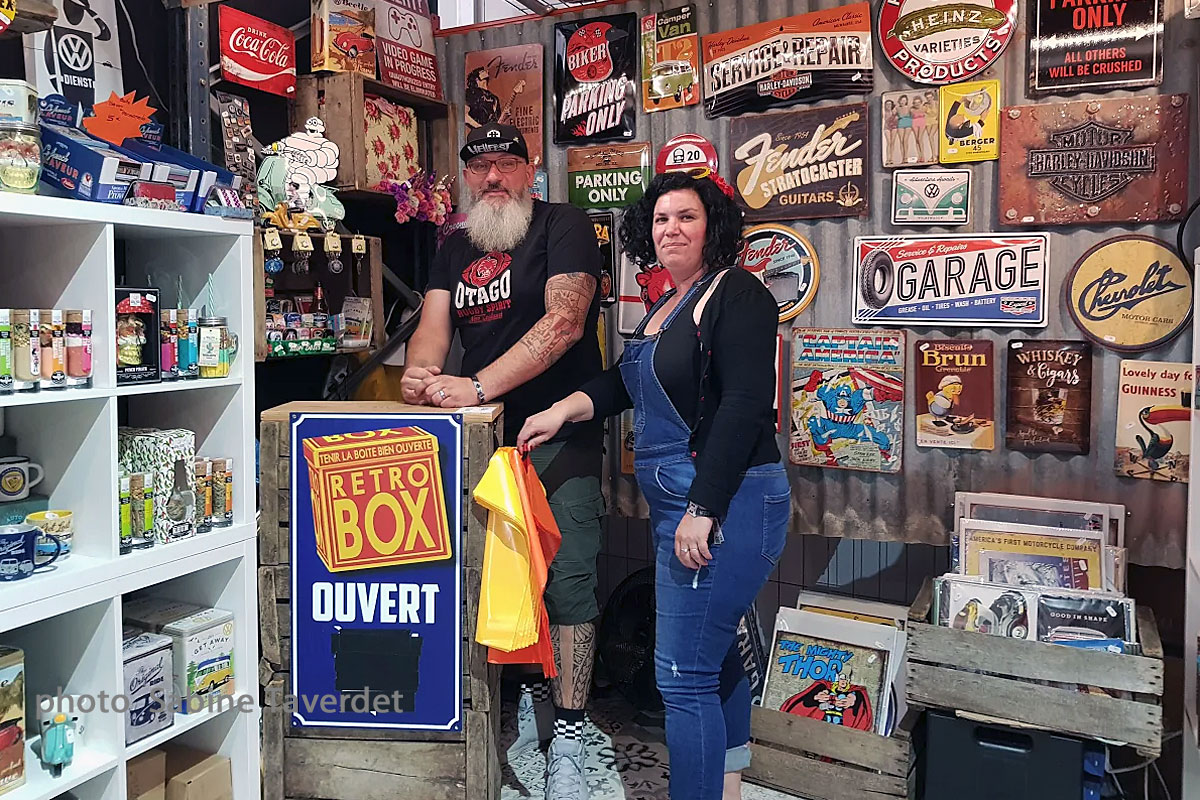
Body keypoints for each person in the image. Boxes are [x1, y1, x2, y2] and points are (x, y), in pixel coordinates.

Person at [518, 170, 790, 800]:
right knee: (713, 655)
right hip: (682, 506)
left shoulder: (738, 293)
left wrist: (704, 507)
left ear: (712, 227)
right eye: (662, 219)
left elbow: (744, 405)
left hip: (728, 502)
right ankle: (727, 783)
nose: (672, 229)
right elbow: (623, 383)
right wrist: (562, 410)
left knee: (682, 676)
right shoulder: (667, 304)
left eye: (686, 217)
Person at [400, 123, 606, 799]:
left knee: (567, 580)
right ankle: (525, 707)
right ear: (467, 177)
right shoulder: (454, 245)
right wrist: (421, 373)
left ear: (529, 167)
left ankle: (570, 732)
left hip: (557, 436)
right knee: (498, 584)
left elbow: (564, 323)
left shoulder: (562, 225)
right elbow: (433, 330)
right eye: (480, 166)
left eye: (505, 164)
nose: (493, 177)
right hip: (480, 443)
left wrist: (477, 386)